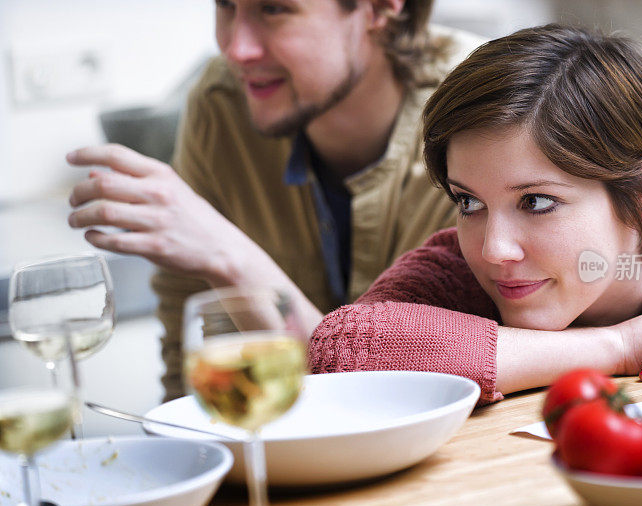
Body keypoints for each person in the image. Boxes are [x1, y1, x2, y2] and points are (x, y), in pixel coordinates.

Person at [308, 24, 642, 405]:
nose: (494, 250)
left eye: (537, 202)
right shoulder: (453, 276)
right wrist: (624, 345)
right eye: (468, 201)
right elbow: (342, 352)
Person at [65, 0, 483, 400]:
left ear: (378, 7)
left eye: (274, 8)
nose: (235, 49)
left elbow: (404, 393)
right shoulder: (220, 103)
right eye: (225, 4)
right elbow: (188, 344)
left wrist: (232, 259)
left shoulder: (482, 114)